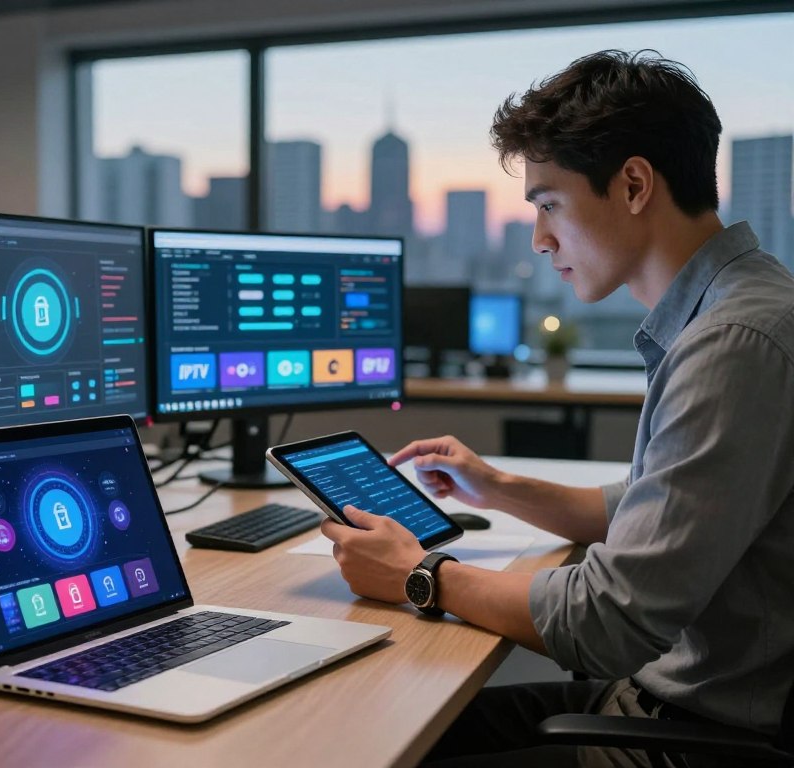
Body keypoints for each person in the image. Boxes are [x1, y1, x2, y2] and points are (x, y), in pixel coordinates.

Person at [321, 49, 794, 768]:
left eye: (548, 205)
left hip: (691, 740)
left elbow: (610, 621)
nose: (541, 240)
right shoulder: (744, 304)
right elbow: (652, 509)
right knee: (382, 723)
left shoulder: (733, 342)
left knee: (371, 742)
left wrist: (419, 574)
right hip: (662, 703)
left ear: (633, 185)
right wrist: (499, 487)